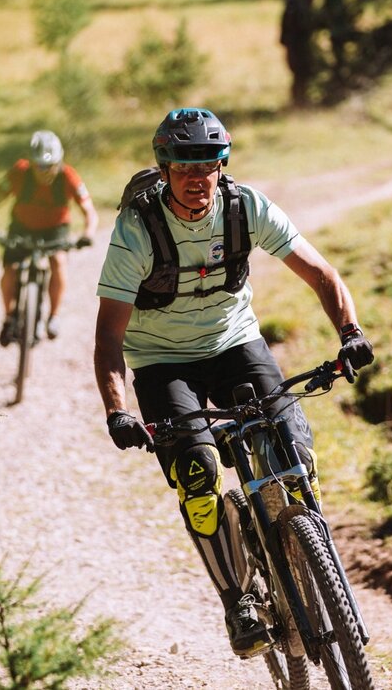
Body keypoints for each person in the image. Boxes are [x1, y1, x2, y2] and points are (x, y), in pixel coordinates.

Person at [92, 108, 375, 657]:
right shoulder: (138, 229)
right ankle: (239, 599)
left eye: (207, 163)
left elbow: (322, 274)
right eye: (183, 165)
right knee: (196, 474)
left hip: (234, 343)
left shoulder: (246, 208)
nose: (196, 177)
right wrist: (116, 409)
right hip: (160, 360)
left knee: (291, 437)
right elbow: (108, 336)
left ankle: (304, 541)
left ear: (222, 164)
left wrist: (351, 332)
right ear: (165, 166)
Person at [0, 130, 98, 345]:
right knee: (10, 269)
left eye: (50, 165)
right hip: (21, 227)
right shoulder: (19, 172)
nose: (44, 171)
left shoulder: (68, 176)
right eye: (39, 166)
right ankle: (8, 318)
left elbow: (89, 210)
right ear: (31, 163)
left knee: (58, 262)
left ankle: (53, 316)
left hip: (56, 229)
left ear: (59, 161)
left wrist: (87, 234)